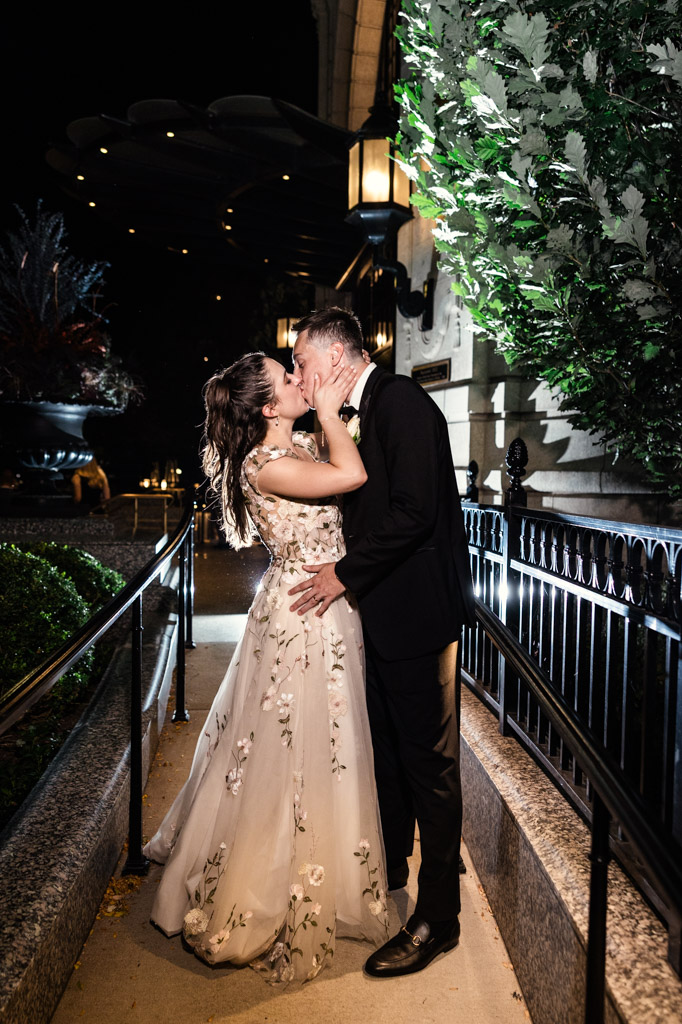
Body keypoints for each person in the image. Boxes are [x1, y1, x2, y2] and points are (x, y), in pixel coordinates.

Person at [143, 352, 389, 985]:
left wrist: (331, 411)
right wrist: (334, 411)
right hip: (302, 617)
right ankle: (262, 883)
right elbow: (353, 474)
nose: (299, 380)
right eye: (289, 378)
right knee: (291, 749)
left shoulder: (300, 443)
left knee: (327, 745)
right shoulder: (269, 463)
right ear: (269, 408)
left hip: (327, 606)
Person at [288, 307, 475, 979]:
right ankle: (391, 873)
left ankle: (439, 920)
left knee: (427, 766)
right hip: (376, 611)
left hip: (413, 614)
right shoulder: (354, 410)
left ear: (337, 358)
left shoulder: (401, 404)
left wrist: (342, 573)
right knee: (387, 756)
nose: (300, 379)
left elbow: (414, 513)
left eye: (304, 364)